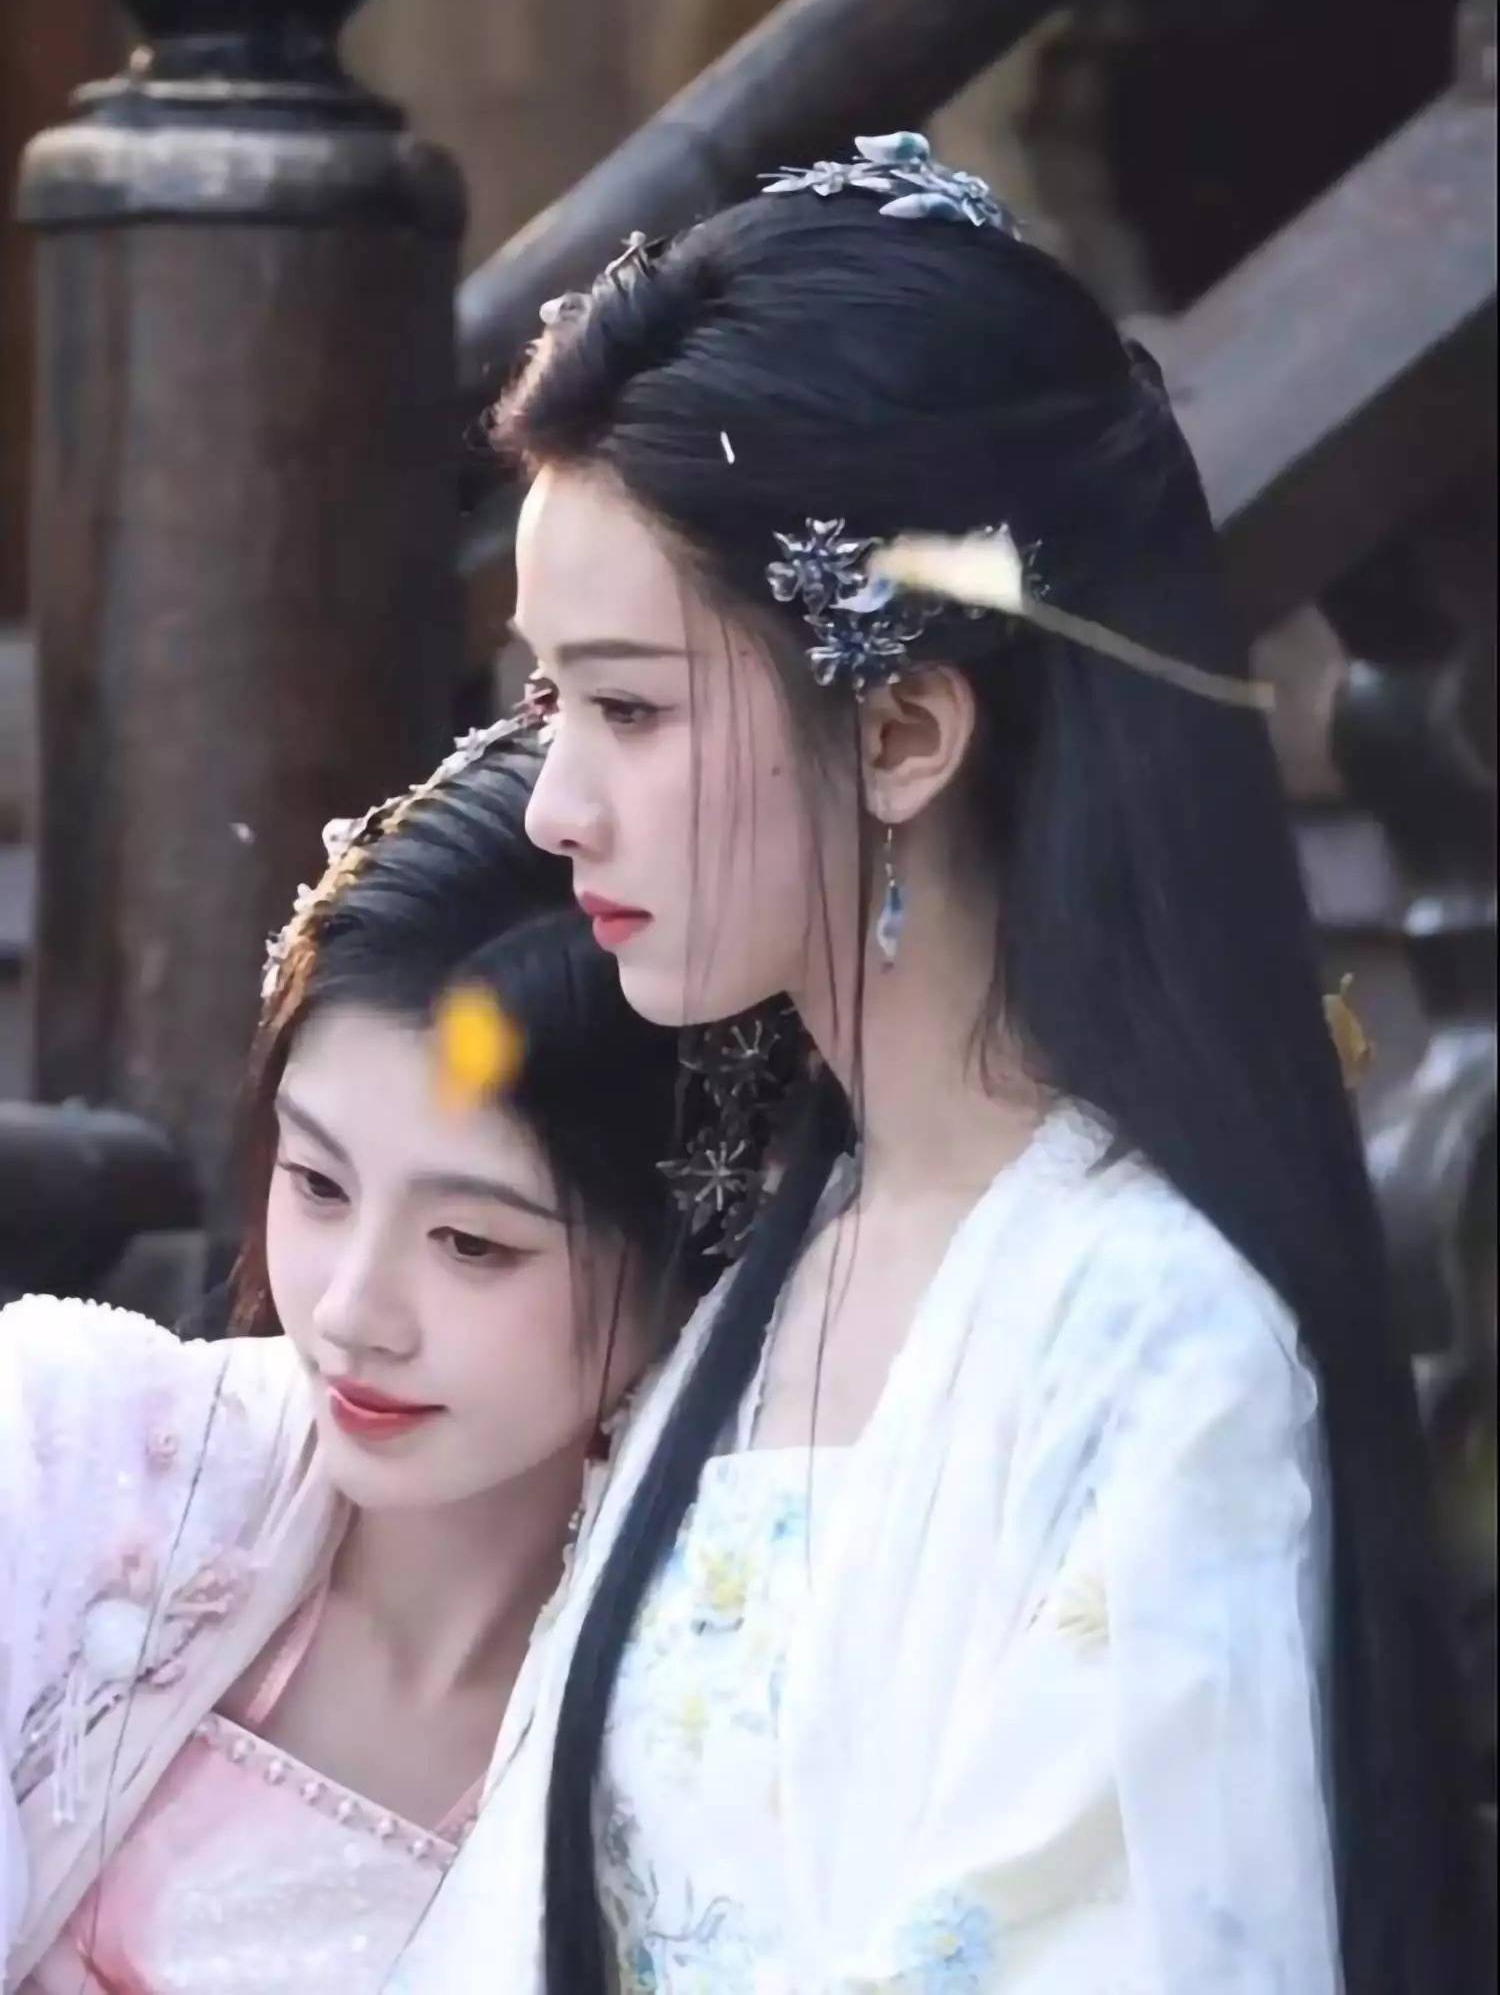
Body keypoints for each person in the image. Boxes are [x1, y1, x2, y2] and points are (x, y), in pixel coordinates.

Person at [411, 135, 1481, 1993]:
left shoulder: (1150, 1333)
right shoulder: (775, 1247)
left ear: (905, 729)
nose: (556, 802)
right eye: (549, 698)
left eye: (633, 706)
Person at [0, 719, 693, 1991]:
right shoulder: (70, 1452)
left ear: (682, 1234)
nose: (353, 1308)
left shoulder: (708, 1732)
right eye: (317, 1181)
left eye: (472, 1242)